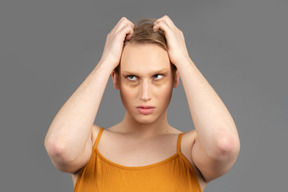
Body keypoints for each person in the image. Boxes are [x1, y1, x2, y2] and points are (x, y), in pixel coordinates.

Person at [44, 15, 240, 191]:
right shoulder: (89, 143)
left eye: (157, 76)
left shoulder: (190, 151)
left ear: (175, 77)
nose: (145, 94)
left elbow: (224, 144)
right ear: (115, 79)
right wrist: (106, 62)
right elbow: (59, 147)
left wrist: (183, 59)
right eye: (131, 77)